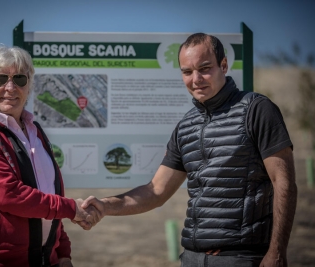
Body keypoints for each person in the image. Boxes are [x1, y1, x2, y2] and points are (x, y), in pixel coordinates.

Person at [80, 33, 297, 267]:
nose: (196, 79)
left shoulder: (257, 110)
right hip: (191, 258)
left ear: (223, 65)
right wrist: (105, 206)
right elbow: (156, 191)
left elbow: (283, 182)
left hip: (241, 258)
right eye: (187, 72)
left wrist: (276, 252)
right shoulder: (185, 125)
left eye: (204, 68)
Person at [0, 45, 99, 267]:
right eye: (1, 79)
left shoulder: (34, 130)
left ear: (29, 86)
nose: (10, 87)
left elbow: (47, 193)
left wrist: (62, 252)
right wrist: (71, 209)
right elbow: (8, 194)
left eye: (20, 79)